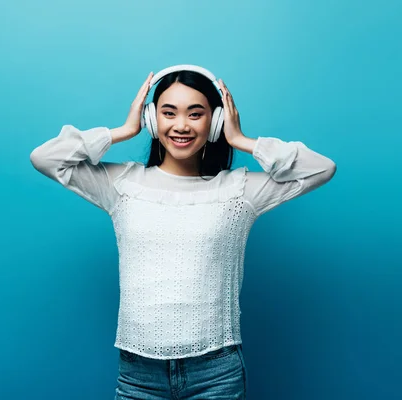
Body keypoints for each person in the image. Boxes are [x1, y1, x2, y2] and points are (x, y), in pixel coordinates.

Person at [29, 65, 336, 399]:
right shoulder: (122, 185)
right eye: (168, 112)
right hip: (138, 375)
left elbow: (321, 168)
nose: (181, 125)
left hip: (216, 374)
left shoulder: (239, 191)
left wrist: (243, 140)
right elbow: (45, 158)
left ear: (214, 121)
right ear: (151, 119)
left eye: (195, 114)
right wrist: (120, 131)